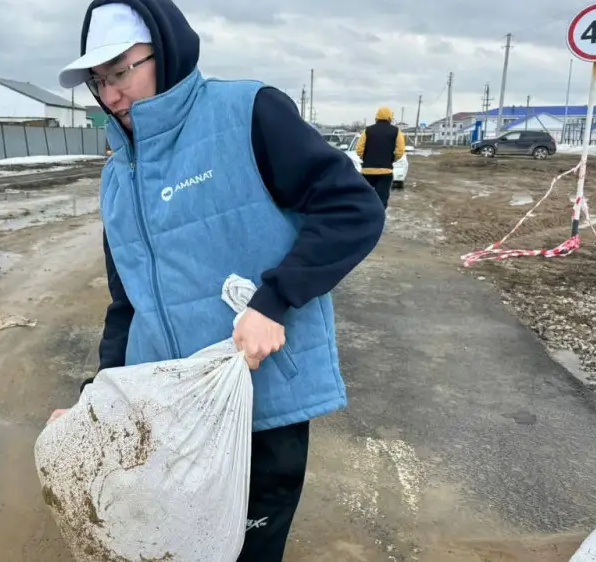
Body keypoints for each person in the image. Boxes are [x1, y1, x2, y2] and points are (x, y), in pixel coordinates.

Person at [47, 0, 386, 559]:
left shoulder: (248, 113)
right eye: (98, 81)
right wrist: (97, 401)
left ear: (165, 52)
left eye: (121, 72)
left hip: (257, 405)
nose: (111, 96)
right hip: (169, 416)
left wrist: (274, 300)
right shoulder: (116, 176)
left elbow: (353, 210)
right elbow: (127, 305)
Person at [355, 106, 407, 208]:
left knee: (364, 198)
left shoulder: (367, 130)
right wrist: (391, 159)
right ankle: (379, 215)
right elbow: (400, 150)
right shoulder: (396, 131)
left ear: (377, 116)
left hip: (367, 171)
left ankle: (364, 214)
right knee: (381, 200)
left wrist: (365, 158)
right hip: (385, 172)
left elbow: (359, 149)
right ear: (390, 117)